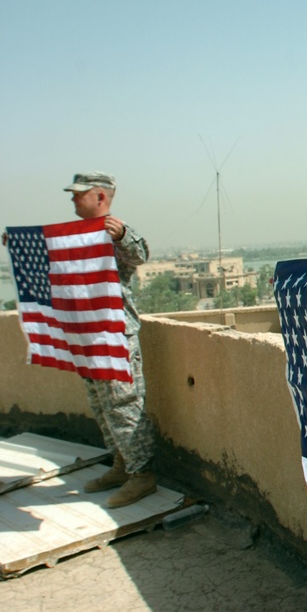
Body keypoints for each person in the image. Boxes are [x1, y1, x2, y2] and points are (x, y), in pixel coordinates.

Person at [62, 173, 157, 507]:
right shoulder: (73, 236)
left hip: (115, 333)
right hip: (86, 334)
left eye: (79, 194)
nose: (73, 200)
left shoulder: (115, 231)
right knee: (102, 407)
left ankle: (142, 474)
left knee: (123, 405)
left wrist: (122, 235)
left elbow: (140, 254)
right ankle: (121, 464)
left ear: (100, 196)